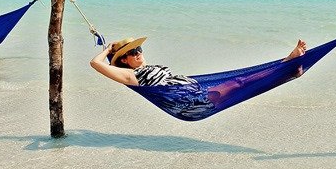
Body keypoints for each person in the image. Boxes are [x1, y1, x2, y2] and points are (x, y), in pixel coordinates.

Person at [90, 37, 308, 118]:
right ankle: (287, 64)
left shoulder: (145, 68)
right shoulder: (130, 76)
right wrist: (107, 49)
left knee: (247, 87)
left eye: (139, 48)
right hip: (191, 103)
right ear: (124, 60)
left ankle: (288, 71)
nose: (138, 53)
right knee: (241, 82)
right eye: (132, 52)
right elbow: (95, 64)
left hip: (199, 93)